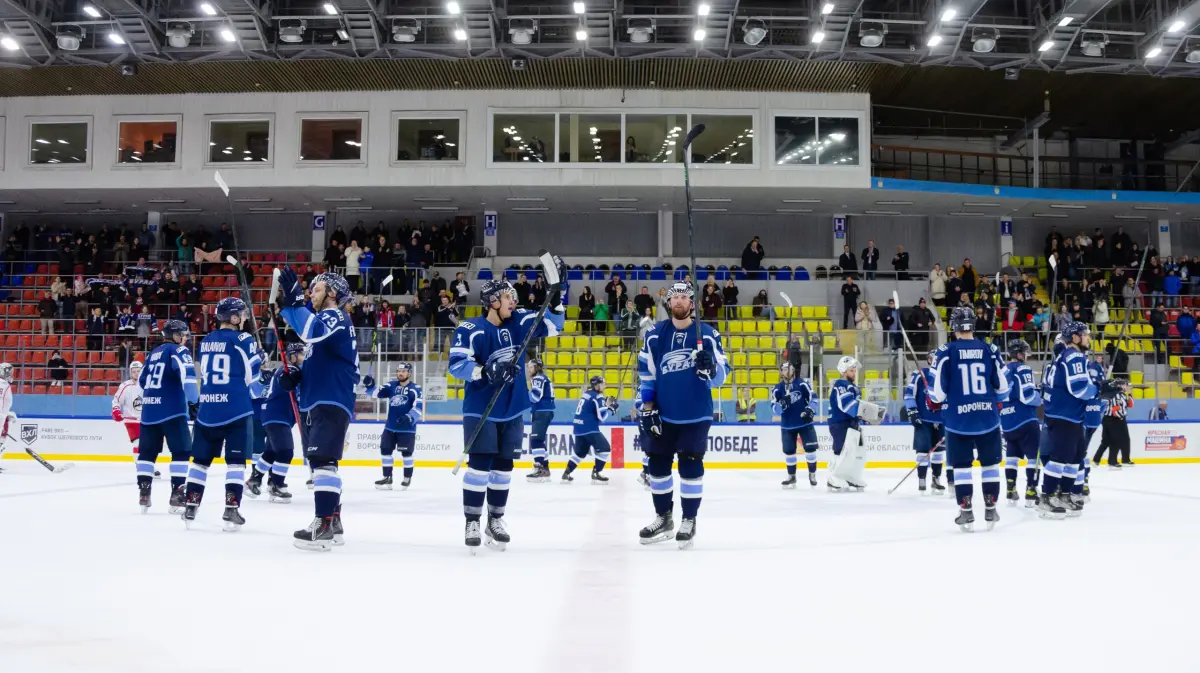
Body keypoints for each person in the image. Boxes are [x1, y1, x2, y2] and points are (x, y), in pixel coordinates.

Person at [448, 274, 565, 552]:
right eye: (508, 297)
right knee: (479, 468)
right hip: (481, 410)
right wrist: (485, 370)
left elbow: (554, 326)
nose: (514, 301)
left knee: (503, 470)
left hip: (512, 408)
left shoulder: (521, 322)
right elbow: (456, 365)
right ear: (492, 301)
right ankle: (473, 521)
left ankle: (496, 520)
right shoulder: (470, 328)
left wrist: (557, 298)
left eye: (514, 297)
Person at [635, 281, 729, 549]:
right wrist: (649, 407)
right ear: (669, 303)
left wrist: (710, 368)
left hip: (696, 414)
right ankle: (663, 518)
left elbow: (722, 375)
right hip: (664, 414)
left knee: (690, 465)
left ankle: (689, 519)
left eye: (683, 298)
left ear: (692, 304)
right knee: (657, 466)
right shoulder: (654, 335)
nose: (678, 301)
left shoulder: (707, 334)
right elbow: (647, 375)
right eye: (674, 297)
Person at [276, 268, 360, 551]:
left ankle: (322, 524)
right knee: (324, 464)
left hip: (330, 399)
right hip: (322, 398)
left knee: (323, 462)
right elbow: (320, 359)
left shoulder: (333, 315)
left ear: (333, 293)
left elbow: (309, 330)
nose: (312, 291)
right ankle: (333, 522)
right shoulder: (328, 320)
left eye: (317, 287)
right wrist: (298, 377)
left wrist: (293, 302)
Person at [181, 298, 265, 531]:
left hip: (207, 408)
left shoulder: (207, 340)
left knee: (199, 462)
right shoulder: (244, 339)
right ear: (234, 318)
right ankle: (231, 508)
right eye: (242, 314)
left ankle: (190, 504)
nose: (246, 318)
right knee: (236, 463)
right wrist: (260, 360)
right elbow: (254, 382)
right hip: (236, 409)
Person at [928, 306, 1009, 532]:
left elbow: (938, 394)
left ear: (954, 327)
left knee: (962, 467)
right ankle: (991, 507)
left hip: (958, 421)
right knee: (990, 464)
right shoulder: (989, 349)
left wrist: (933, 397)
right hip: (987, 418)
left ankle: (966, 511)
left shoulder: (945, 351)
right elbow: (1003, 388)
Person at [1039, 322, 1103, 520]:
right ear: (1075, 337)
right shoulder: (1074, 356)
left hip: (1070, 414)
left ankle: (1064, 494)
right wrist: (1099, 389)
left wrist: (1100, 386)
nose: (1089, 339)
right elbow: (1079, 389)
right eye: (1085, 335)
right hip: (1064, 414)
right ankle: (1047, 497)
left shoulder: (1067, 356)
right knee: (1060, 456)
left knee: (1076, 456)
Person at [136, 320, 199, 513]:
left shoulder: (153, 353)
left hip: (149, 412)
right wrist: (195, 402)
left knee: (147, 453)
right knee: (181, 452)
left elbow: (141, 381)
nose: (186, 338)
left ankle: (144, 493)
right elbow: (187, 377)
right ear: (175, 335)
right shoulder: (179, 351)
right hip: (172, 411)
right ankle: (177, 494)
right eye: (184, 334)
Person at [247, 343, 305, 503]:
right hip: (276, 415)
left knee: (271, 452)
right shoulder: (290, 370)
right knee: (286, 452)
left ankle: (254, 480)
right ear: (292, 356)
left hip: (275, 414)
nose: (303, 357)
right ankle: (276, 484)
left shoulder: (289, 370)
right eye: (301, 354)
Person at [364, 362, 424, 491]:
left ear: (409, 373)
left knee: (407, 454)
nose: (400, 373)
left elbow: (419, 407)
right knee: (385, 451)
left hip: (407, 429)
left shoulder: (415, 388)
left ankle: (407, 478)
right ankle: (387, 477)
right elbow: (375, 393)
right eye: (398, 371)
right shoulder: (391, 385)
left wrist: (408, 417)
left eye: (403, 371)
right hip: (390, 427)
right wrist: (369, 384)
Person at [999, 339, 1041, 508]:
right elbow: (1028, 396)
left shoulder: (1002, 370)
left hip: (1007, 422)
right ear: (1019, 354)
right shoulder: (1023, 368)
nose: (1027, 356)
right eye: (1025, 352)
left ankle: (1010, 489)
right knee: (1033, 457)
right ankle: (1031, 490)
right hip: (1025, 419)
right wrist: (1041, 396)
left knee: (1012, 457)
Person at [904, 350, 947, 495]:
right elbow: (909, 394)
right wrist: (912, 411)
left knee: (939, 452)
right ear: (929, 361)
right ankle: (922, 479)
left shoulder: (946, 376)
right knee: (922, 451)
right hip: (923, 420)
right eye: (932, 359)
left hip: (941, 420)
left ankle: (936, 479)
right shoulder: (920, 374)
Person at [562, 375, 617, 484]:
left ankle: (566, 473)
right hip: (589, 428)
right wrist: (611, 409)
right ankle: (597, 472)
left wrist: (605, 405)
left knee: (580, 452)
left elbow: (592, 408)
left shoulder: (586, 394)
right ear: (596, 386)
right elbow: (601, 417)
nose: (604, 386)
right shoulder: (599, 397)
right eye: (602, 384)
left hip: (578, 427)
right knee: (605, 448)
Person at [772, 362, 817, 488]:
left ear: (793, 371)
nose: (787, 371)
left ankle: (812, 474)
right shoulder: (777, 388)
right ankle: (792, 476)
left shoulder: (802, 384)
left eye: (789, 369)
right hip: (787, 425)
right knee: (789, 451)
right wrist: (782, 405)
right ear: (781, 372)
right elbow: (774, 408)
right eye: (784, 369)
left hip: (804, 423)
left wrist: (810, 410)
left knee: (810, 449)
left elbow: (813, 398)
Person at [827, 356, 867, 491]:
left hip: (851, 422)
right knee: (840, 450)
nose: (854, 373)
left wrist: (866, 415)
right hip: (840, 422)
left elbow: (857, 407)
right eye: (851, 370)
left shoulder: (853, 387)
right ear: (843, 370)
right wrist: (863, 412)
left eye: (855, 371)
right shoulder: (840, 385)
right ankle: (832, 477)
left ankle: (850, 476)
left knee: (854, 451)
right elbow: (848, 406)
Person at [112, 360, 146, 470]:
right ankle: (141, 467)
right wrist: (116, 411)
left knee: (148, 446)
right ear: (131, 372)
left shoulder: (148, 386)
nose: (136, 373)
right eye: (134, 371)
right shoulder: (125, 386)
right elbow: (116, 401)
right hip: (132, 421)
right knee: (138, 443)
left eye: (138, 371)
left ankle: (147, 466)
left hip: (146, 420)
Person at [526, 357, 555, 482]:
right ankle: (545, 468)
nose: (529, 370)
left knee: (535, 440)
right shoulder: (544, 377)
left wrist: (523, 392)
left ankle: (539, 468)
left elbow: (535, 397)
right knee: (539, 440)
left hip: (542, 412)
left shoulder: (538, 378)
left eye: (531, 367)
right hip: (546, 411)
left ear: (537, 368)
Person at [1093, 380, 1133, 467]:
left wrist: (1129, 394)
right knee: (1113, 440)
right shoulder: (1115, 394)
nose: (1129, 388)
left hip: (1116, 419)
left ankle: (1098, 459)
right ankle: (1112, 461)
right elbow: (1115, 409)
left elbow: (1130, 405)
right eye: (1127, 385)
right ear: (1121, 386)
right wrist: (1120, 417)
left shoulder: (1122, 395)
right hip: (1113, 419)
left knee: (1108, 441)